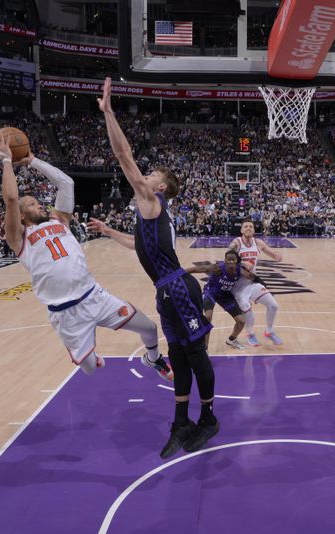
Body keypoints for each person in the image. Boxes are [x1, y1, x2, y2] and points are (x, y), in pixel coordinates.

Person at [98, 77, 218, 458]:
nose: (145, 178)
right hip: (167, 290)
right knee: (179, 358)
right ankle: (181, 420)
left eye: (152, 178)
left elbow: (124, 159)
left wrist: (109, 113)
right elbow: (138, 246)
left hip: (179, 287)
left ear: (161, 189)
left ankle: (209, 418)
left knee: (196, 355)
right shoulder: (149, 217)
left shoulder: (153, 203)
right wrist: (107, 230)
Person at [0, 134, 172, 381]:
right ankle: (89, 355)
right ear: (22, 216)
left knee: (150, 328)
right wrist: (6, 162)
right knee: (89, 367)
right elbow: (11, 199)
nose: (41, 205)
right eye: (33, 204)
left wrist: (33, 160)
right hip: (66, 314)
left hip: (95, 296)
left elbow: (66, 183)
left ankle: (153, 359)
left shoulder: (59, 219)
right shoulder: (18, 237)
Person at [184, 249, 258, 350]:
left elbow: (253, 277)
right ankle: (204, 348)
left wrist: (258, 280)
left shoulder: (240, 270)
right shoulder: (217, 268)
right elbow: (199, 268)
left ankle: (231, 340)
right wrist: (180, 273)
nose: (231, 262)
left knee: (241, 321)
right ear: (225, 260)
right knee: (208, 316)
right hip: (211, 293)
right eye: (229, 260)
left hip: (225, 296)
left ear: (237, 261)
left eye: (233, 260)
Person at [228, 220, 284, 346]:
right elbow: (227, 258)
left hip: (252, 282)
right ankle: (250, 334)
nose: (248, 228)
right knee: (249, 313)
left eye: (251, 226)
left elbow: (272, 253)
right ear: (241, 230)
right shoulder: (236, 243)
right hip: (238, 286)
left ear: (254, 230)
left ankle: (269, 331)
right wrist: (242, 263)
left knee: (273, 305)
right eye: (246, 226)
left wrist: (277, 256)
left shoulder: (259, 243)